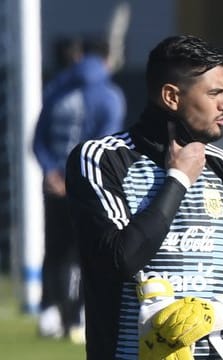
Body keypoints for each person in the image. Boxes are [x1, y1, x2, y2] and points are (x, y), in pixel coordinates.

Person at [65, 34, 223, 360]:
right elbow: (119, 260)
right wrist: (179, 179)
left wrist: (218, 313)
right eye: (215, 93)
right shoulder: (101, 159)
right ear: (171, 97)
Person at [33, 36, 126, 343]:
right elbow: (103, 145)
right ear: (107, 59)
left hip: (54, 186)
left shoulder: (56, 91)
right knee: (88, 251)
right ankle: (80, 314)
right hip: (87, 187)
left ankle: (50, 313)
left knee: (56, 249)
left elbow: (38, 139)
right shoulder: (110, 95)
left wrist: (52, 172)